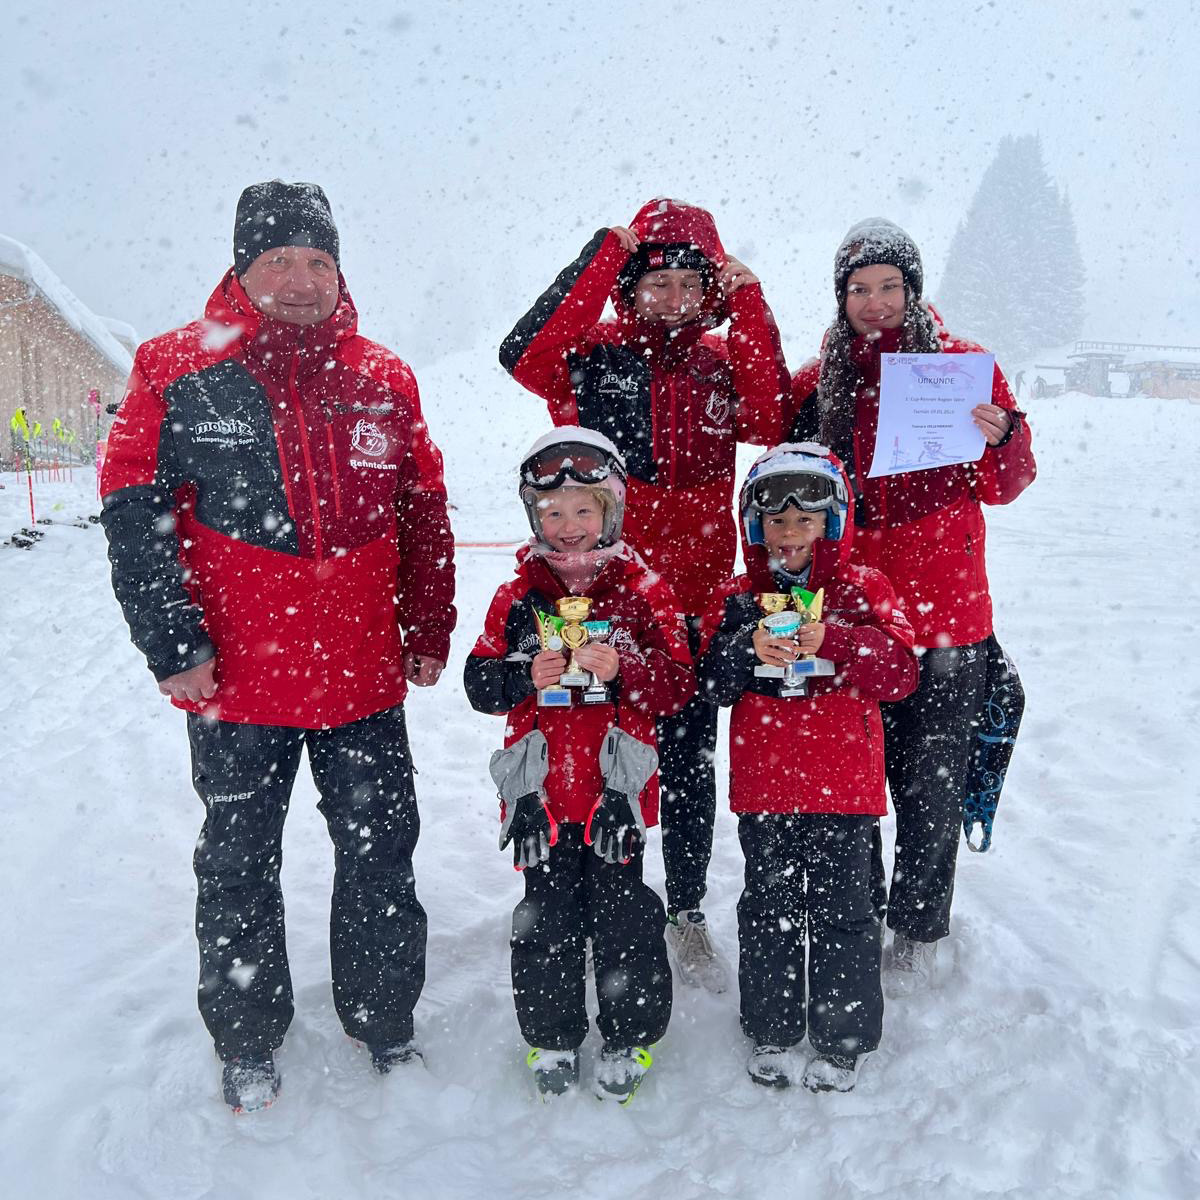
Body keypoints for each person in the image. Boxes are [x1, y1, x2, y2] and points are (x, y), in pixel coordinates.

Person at [99, 181, 456, 1113]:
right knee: (238, 862)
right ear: (241, 268)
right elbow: (135, 515)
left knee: (381, 855)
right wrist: (173, 645)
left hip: (362, 677)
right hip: (236, 677)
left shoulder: (385, 376)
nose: (299, 281)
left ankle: (384, 1022)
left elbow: (423, 509)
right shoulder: (176, 365)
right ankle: (248, 1038)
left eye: (317, 261)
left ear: (340, 268)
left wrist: (428, 624)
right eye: (278, 262)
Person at [499, 198, 789, 992]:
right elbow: (521, 351)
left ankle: (685, 907)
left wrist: (753, 300)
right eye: (652, 281)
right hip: (588, 604)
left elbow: (768, 415)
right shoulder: (589, 356)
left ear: (711, 290)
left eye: (687, 282)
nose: (669, 297)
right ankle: (585, 901)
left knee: (691, 766)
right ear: (628, 289)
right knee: (590, 757)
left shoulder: (723, 363)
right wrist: (604, 251)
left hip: (689, 608)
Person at [786, 218, 1036, 993]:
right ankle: (859, 905)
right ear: (841, 296)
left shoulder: (963, 367)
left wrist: (1004, 438)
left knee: (931, 785)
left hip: (949, 620)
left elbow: (1008, 484)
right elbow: (782, 481)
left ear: (914, 290)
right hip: (858, 620)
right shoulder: (819, 379)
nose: (876, 302)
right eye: (859, 289)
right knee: (851, 783)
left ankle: (921, 924)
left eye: (890, 286)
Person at [464, 427, 694, 1101]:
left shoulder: (644, 590)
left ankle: (631, 1035)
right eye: (553, 512)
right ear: (534, 516)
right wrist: (519, 674)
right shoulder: (516, 598)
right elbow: (479, 684)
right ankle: (551, 1034)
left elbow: (680, 685)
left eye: (584, 510)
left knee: (624, 915)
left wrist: (625, 668)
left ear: (611, 511)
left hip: (614, 791)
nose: (568, 526)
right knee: (546, 916)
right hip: (540, 794)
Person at [696, 444, 918, 1091]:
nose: (789, 536)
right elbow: (710, 682)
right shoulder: (738, 596)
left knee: (847, 913)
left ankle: (844, 1037)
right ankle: (771, 1027)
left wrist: (837, 641)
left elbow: (901, 673)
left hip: (845, 792)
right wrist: (745, 648)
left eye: (806, 522)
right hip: (765, 791)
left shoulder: (862, 590)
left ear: (834, 524)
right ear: (754, 527)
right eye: (777, 523)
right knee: (769, 908)